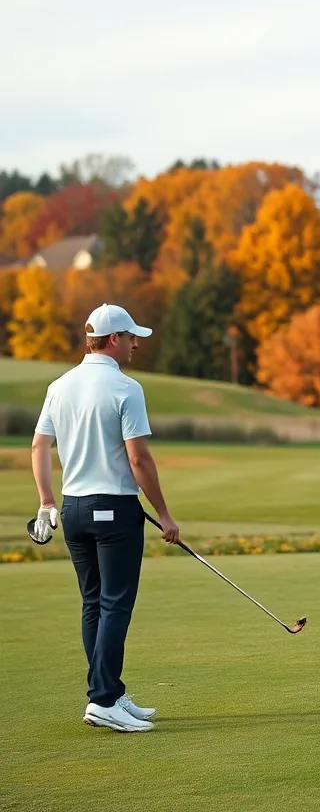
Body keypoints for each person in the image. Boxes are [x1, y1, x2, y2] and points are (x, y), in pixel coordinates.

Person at [30, 303, 182, 733]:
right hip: (115, 511)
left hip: (74, 509)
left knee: (93, 604)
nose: (136, 344)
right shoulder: (125, 388)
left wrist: (46, 501)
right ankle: (102, 701)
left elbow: (40, 447)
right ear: (114, 339)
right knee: (115, 604)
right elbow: (139, 458)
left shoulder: (59, 385)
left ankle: (110, 692)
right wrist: (165, 514)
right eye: (132, 336)